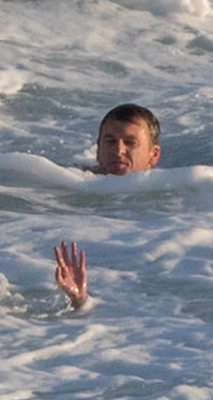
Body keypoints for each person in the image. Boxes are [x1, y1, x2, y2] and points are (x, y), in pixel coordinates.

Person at [54, 104, 162, 308]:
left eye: (130, 142)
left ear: (153, 155)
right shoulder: (69, 182)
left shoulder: (167, 199)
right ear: (98, 149)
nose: (118, 150)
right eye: (110, 141)